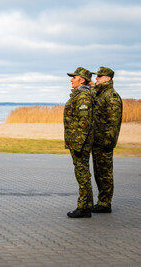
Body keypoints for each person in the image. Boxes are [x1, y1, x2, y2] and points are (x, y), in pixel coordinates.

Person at [64, 67, 95, 218]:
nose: (71, 80)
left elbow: (84, 123)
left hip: (80, 143)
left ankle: (83, 208)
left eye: (74, 77)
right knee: (82, 173)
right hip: (77, 142)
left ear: (82, 79)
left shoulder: (83, 97)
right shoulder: (80, 95)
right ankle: (86, 206)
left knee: (82, 175)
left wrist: (78, 143)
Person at [91, 67, 122, 213]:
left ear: (108, 78)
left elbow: (113, 122)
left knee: (105, 172)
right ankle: (102, 201)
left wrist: (108, 142)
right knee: (98, 171)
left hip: (104, 142)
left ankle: (105, 203)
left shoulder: (111, 96)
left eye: (100, 76)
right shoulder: (100, 94)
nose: (96, 78)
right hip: (97, 140)